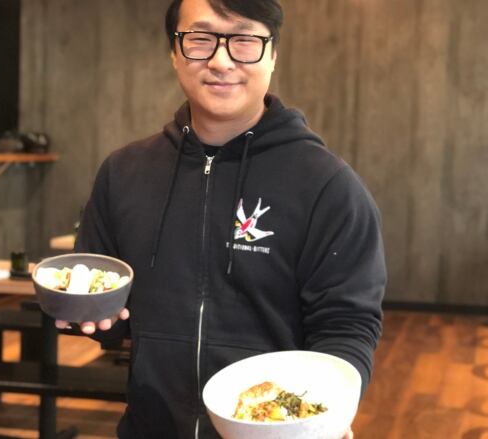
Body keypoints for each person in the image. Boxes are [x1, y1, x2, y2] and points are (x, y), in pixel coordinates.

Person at [58, 0, 386, 437]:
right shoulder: (123, 173)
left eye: (245, 40)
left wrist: (327, 412)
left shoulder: (327, 186)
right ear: (175, 52)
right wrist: (90, 316)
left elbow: (347, 324)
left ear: (272, 54)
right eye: (200, 39)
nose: (221, 60)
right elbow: (106, 302)